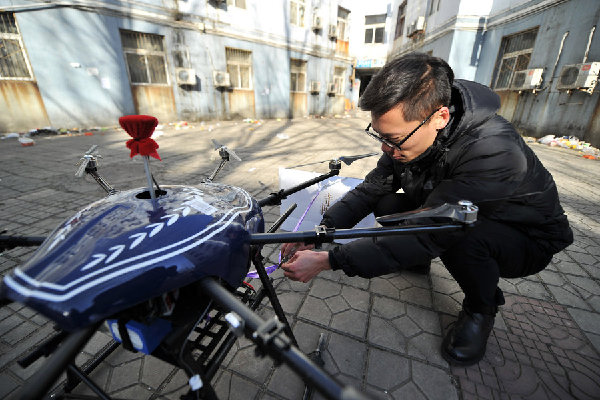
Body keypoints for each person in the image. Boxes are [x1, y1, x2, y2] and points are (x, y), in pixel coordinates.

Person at [280, 52, 573, 366]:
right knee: (387, 203)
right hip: (451, 211)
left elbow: (432, 230)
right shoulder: (408, 133)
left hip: (527, 238)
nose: (385, 148)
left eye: (392, 139)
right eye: (379, 136)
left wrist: (329, 260)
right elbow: (370, 190)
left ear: (440, 117)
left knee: (461, 232)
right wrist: (319, 233)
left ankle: (481, 308)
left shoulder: (494, 151)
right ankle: (419, 261)